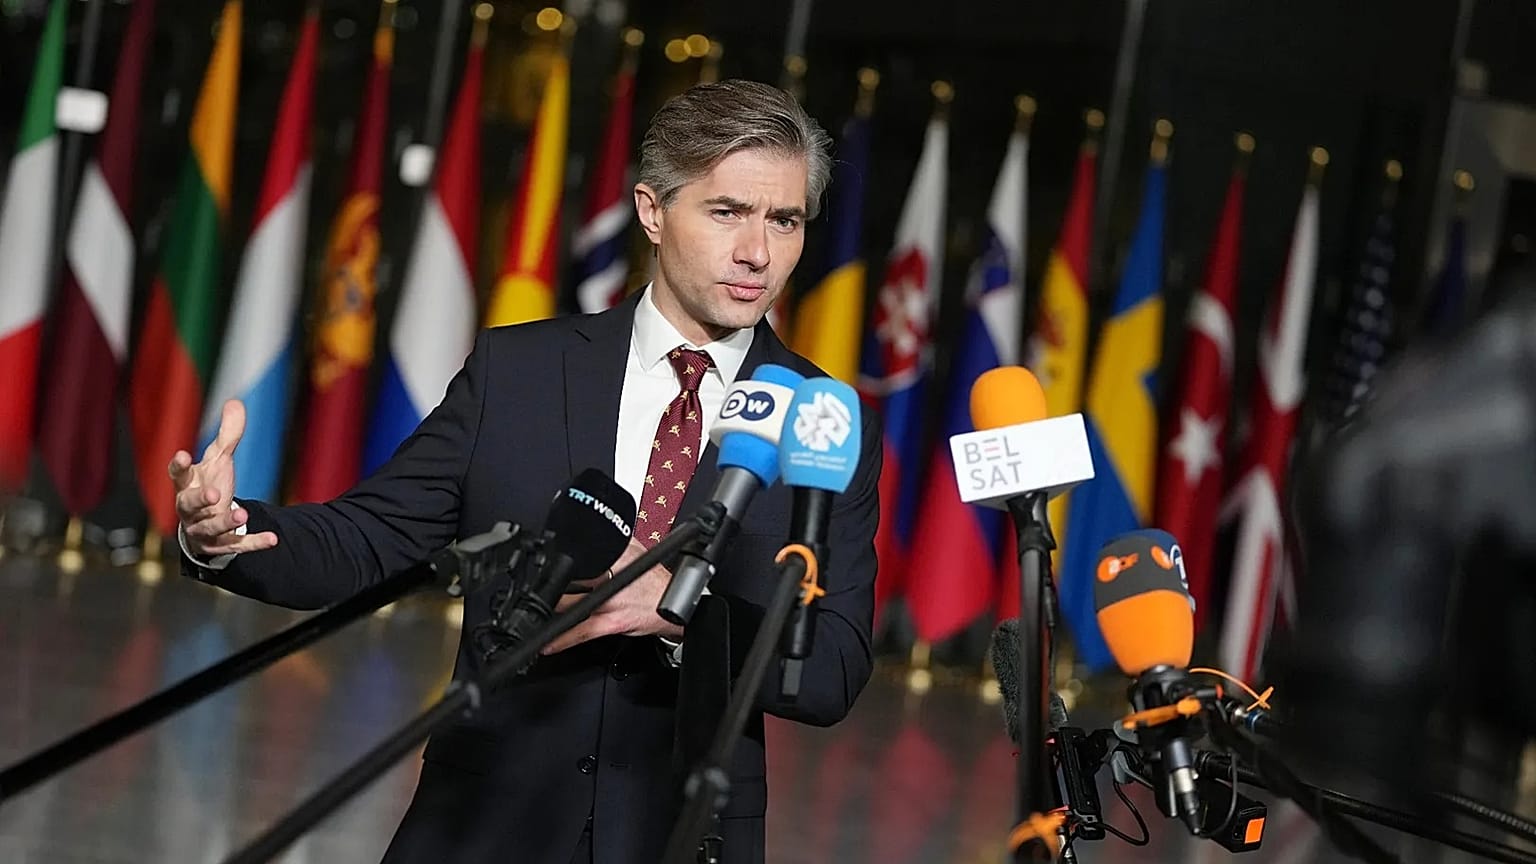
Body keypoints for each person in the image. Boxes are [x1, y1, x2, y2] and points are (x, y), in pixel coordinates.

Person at [170, 79, 882, 864]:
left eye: (784, 220)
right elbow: (368, 538)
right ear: (652, 211)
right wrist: (228, 529)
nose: (759, 252)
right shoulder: (520, 372)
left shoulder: (825, 420)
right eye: (727, 212)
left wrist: (687, 611)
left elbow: (834, 668)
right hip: (483, 828)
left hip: (681, 838)